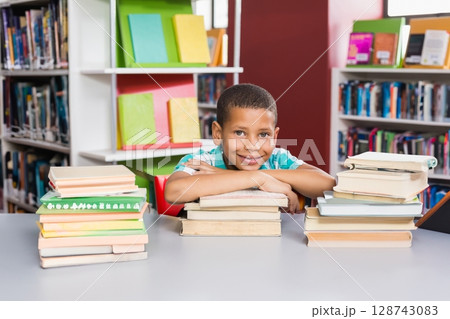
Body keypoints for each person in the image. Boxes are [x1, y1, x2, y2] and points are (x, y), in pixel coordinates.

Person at [164, 83, 335, 213]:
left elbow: (329, 185)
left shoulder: (277, 159)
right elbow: (174, 191)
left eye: (263, 135)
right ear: (217, 133)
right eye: (239, 133)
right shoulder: (202, 161)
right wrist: (259, 180)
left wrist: (252, 176)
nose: (252, 146)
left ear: (274, 136)